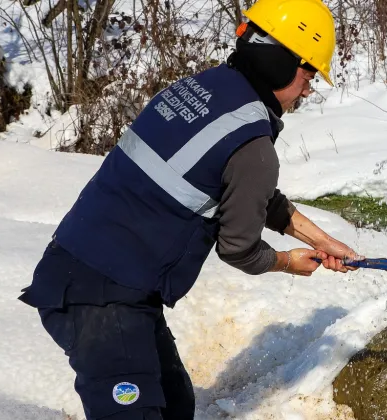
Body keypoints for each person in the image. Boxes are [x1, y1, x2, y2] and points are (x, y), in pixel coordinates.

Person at [18, 0, 358, 418]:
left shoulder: (203, 88)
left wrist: (325, 241)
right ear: (279, 62)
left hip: (91, 275)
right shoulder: (253, 146)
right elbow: (239, 249)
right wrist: (289, 262)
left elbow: (247, 192)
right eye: (307, 75)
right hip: (102, 300)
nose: (308, 89)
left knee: (176, 402)